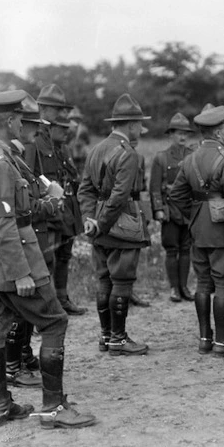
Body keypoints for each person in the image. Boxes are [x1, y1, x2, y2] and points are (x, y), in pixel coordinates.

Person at [0, 90, 96, 429]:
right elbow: (3, 222)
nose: (24, 126)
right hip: (15, 255)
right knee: (54, 322)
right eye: (21, 119)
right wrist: (21, 273)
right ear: (8, 120)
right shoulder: (0, 163)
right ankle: (53, 409)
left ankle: (0, 405)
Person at [168, 104, 224, 357]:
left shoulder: (189, 159)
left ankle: (205, 340)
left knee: (203, 283)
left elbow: (176, 195)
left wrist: (195, 215)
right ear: (218, 132)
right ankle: (223, 343)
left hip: (199, 230)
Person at [77, 93, 152, 356]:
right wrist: (101, 223)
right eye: (139, 125)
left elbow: (84, 190)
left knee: (104, 280)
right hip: (121, 225)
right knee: (121, 281)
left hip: (100, 224)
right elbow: (120, 197)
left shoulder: (96, 149)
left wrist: (91, 219)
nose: (141, 130)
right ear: (130, 125)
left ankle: (106, 337)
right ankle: (118, 340)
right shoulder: (128, 153)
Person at [4, 95, 66, 389]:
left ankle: (21, 357)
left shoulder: (17, 154)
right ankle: (13, 366)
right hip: (23, 238)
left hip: (31, 235)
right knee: (21, 306)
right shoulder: (14, 157)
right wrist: (52, 204)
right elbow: (24, 206)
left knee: (23, 307)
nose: (34, 129)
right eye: (30, 123)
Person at [23, 84, 87, 316]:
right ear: (41, 108)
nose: (60, 113)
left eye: (62, 108)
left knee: (61, 256)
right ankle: (46, 309)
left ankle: (59, 300)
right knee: (44, 260)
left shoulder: (51, 139)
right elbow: (29, 175)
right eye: (54, 108)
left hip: (59, 210)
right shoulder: (34, 139)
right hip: (45, 210)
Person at [150, 112, 196, 303]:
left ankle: (184, 287)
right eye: (178, 133)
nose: (182, 137)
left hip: (188, 209)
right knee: (171, 249)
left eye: (185, 133)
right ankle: (174, 289)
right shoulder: (161, 158)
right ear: (171, 135)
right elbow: (154, 188)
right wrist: (158, 209)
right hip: (169, 209)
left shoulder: (193, 156)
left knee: (186, 249)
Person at [128, 126, 152, 309]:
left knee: (135, 251)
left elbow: (143, 188)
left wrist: (146, 213)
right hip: (120, 206)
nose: (135, 139)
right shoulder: (115, 155)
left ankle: (130, 291)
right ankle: (120, 292)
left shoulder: (140, 158)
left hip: (136, 206)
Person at [67, 106, 92, 176]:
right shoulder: (68, 129)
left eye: (76, 118)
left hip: (82, 154)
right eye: (73, 118)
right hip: (70, 152)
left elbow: (88, 141)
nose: (75, 120)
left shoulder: (83, 129)